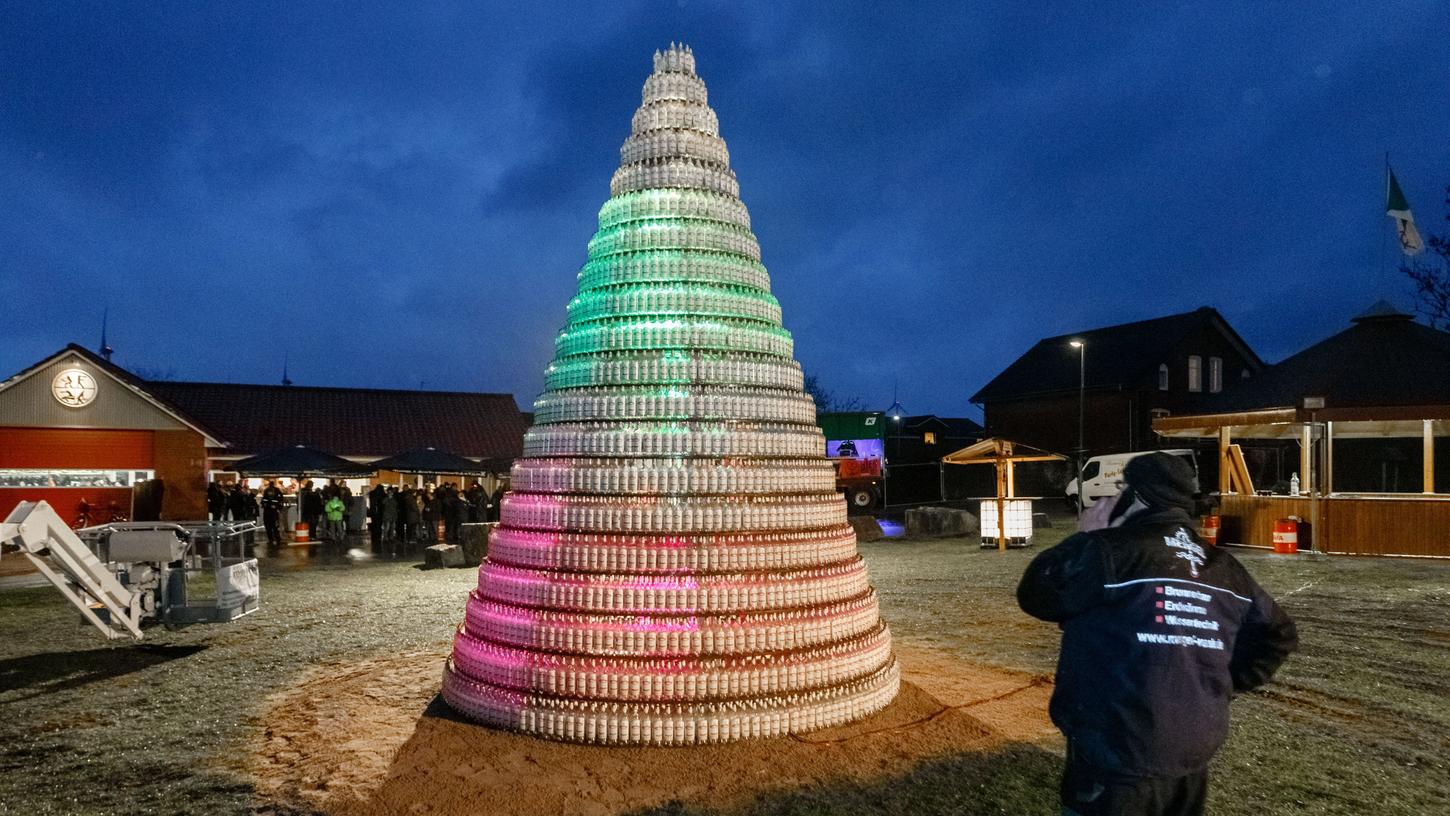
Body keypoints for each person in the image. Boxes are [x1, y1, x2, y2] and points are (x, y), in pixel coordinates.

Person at [1017, 452, 1297, 816]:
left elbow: (1036, 595)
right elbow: (1278, 633)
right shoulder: (1224, 567)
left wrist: (1088, 536)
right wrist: (1219, 684)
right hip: (1192, 752)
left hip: (1116, 752)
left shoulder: (1106, 551)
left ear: (1136, 498)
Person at [261, 480, 284, 550]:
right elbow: (281, 499)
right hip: (273, 511)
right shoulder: (277, 490)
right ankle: (277, 539)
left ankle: (271, 539)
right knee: (275, 526)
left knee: (268, 526)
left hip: (267, 511)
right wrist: (277, 506)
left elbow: (263, 500)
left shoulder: (266, 490)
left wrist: (266, 505)